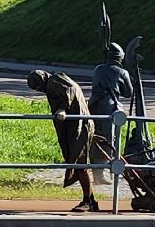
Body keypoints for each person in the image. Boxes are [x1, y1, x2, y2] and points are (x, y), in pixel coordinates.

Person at [27, 69, 105, 212]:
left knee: (80, 164)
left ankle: (89, 201)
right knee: (77, 163)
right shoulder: (56, 80)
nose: (40, 90)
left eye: (38, 87)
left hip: (80, 127)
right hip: (79, 126)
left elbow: (70, 90)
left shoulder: (54, 81)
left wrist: (62, 108)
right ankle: (91, 200)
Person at [90, 42, 136, 154]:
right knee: (110, 136)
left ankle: (94, 157)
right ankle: (110, 158)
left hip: (94, 105)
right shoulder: (122, 72)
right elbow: (128, 93)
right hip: (110, 107)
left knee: (93, 132)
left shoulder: (98, 69)